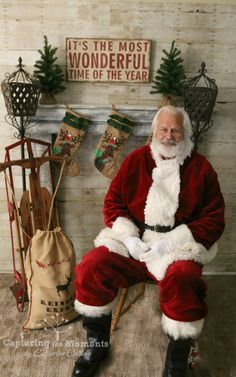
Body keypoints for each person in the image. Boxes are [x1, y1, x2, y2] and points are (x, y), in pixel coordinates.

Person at [71, 105, 225, 377]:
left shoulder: (202, 169)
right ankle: (96, 345)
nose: (169, 135)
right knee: (92, 266)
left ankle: (177, 360)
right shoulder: (135, 161)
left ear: (185, 133)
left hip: (177, 250)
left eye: (175, 129)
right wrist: (129, 238)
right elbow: (113, 203)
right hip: (137, 245)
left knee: (185, 281)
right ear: (155, 132)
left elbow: (214, 219)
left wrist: (170, 243)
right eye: (163, 129)